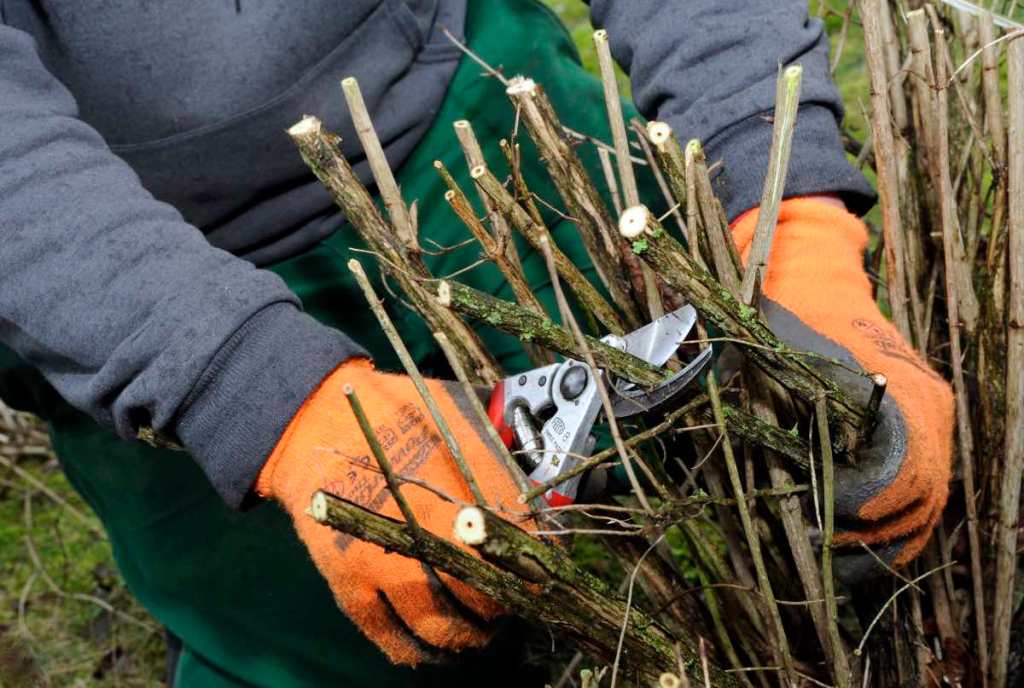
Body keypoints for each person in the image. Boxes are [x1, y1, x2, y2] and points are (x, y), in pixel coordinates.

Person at [0, 1, 953, 685]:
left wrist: (796, 232)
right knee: (317, 644)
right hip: (112, 275)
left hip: (474, 98)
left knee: (742, 527)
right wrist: (251, 391)